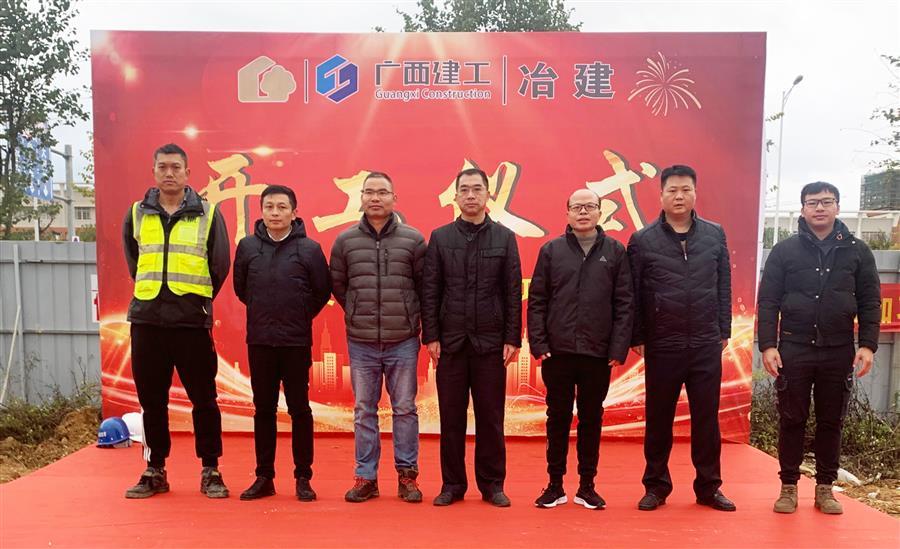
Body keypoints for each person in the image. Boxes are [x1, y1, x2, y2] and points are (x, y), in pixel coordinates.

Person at [758, 181, 880, 515]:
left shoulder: (857, 251)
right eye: (813, 202)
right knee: (791, 419)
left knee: (831, 421)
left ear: (838, 206)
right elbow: (768, 300)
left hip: (838, 350)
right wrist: (768, 345)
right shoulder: (785, 251)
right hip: (794, 348)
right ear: (803, 208)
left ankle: (825, 488)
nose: (820, 208)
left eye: (827, 201)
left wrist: (868, 345)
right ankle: (788, 487)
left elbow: (870, 301)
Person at [121, 143, 231, 499]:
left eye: (175, 167)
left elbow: (219, 265)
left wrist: (195, 301)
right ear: (154, 171)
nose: (169, 173)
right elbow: (134, 261)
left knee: (204, 399)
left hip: (191, 322)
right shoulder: (137, 213)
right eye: (163, 167)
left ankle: (211, 469)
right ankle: (155, 469)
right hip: (147, 320)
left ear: (187, 173)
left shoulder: (208, 214)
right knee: (152, 401)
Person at [627, 164, 736, 512]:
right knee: (659, 419)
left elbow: (723, 285)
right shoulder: (643, 240)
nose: (679, 196)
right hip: (663, 343)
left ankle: (709, 487)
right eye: (672, 190)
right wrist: (638, 335)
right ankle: (656, 486)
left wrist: (723, 330)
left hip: (705, 343)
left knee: (707, 420)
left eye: (686, 189)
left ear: (695, 193)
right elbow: (633, 293)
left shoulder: (714, 235)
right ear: (661, 195)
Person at [422, 167, 523, 507]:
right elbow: (431, 289)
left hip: (490, 344)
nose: (470, 195)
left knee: (491, 418)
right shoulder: (440, 237)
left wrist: (512, 337)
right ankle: (452, 485)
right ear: (455, 196)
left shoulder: (504, 238)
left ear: (487, 194)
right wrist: (431, 336)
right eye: (464, 189)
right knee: (450, 418)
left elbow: (512, 291)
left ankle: (493, 485)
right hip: (450, 343)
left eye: (477, 189)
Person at [528, 189, 634, 510]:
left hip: (598, 354)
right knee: (557, 418)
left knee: (591, 418)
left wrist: (618, 347)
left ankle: (587, 486)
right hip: (557, 353)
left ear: (600, 212)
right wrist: (539, 343)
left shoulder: (615, 252)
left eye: (590, 206)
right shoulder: (551, 251)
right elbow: (537, 301)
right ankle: (555, 485)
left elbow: (625, 303)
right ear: (568, 214)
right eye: (577, 207)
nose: (583, 212)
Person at [329, 172, 427, 503]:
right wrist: (358, 311)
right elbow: (339, 285)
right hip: (362, 341)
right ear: (361, 198)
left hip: (403, 340)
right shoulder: (345, 241)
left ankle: (407, 476)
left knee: (405, 409)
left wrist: (409, 317)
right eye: (369, 192)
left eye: (382, 192)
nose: (375, 198)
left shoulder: (414, 240)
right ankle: (366, 477)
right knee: (364, 411)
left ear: (394, 198)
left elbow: (424, 287)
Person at [233, 185, 331, 501]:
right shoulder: (248, 247)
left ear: (294, 212)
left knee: (299, 409)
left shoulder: (310, 249)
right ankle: (264, 477)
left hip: (295, 342)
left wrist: (299, 314)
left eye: (281, 207)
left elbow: (321, 291)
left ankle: (303, 477)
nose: (275, 213)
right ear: (262, 211)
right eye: (269, 207)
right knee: (263, 409)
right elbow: (241, 289)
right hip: (260, 340)